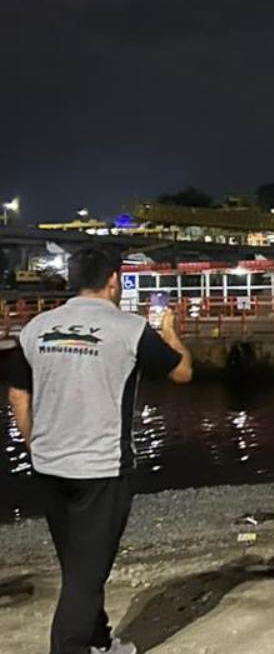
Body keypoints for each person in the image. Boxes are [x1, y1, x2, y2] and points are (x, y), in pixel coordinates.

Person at [6, 245, 193, 654]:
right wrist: (169, 329)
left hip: (48, 465)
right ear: (115, 281)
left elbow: (18, 393)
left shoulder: (36, 327)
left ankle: (98, 642)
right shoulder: (128, 329)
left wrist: (35, 441)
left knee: (79, 567)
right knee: (86, 575)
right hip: (101, 468)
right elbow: (181, 371)